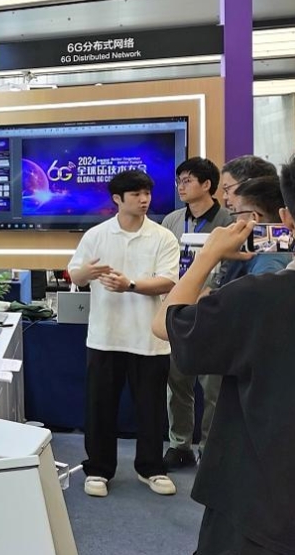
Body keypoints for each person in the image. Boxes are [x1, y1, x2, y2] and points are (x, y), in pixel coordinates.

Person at [152, 150, 295, 554]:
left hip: (260, 504)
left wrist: (206, 257)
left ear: (285, 218)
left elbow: (166, 323)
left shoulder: (258, 297)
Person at [67, 169, 180, 498]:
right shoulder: (97, 235)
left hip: (150, 338)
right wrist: (87, 272)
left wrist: (129, 284)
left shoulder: (162, 237)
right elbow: (76, 274)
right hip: (105, 336)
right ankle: (98, 469)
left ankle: (151, 468)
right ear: (117, 199)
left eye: (147, 193)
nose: (144, 200)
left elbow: (168, 281)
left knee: (151, 409)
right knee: (100, 407)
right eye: (136, 194)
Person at [159, 158, 232, 470]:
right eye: (179, 181)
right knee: (177, 382)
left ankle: (209, 448)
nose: (181, 186)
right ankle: (180, 444)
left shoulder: (228, 221)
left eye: (187, 180)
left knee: (213, 387)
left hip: (216, 313)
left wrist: (212, 289)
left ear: (207, 185)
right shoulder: (172, 220)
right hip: (180, 311)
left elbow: (234, 267)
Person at [220, 176, 294, 279]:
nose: (235, 222)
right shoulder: (277, 251)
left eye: (236, 213)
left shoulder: (268, 267)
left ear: (253, 218)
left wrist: (209, 256)